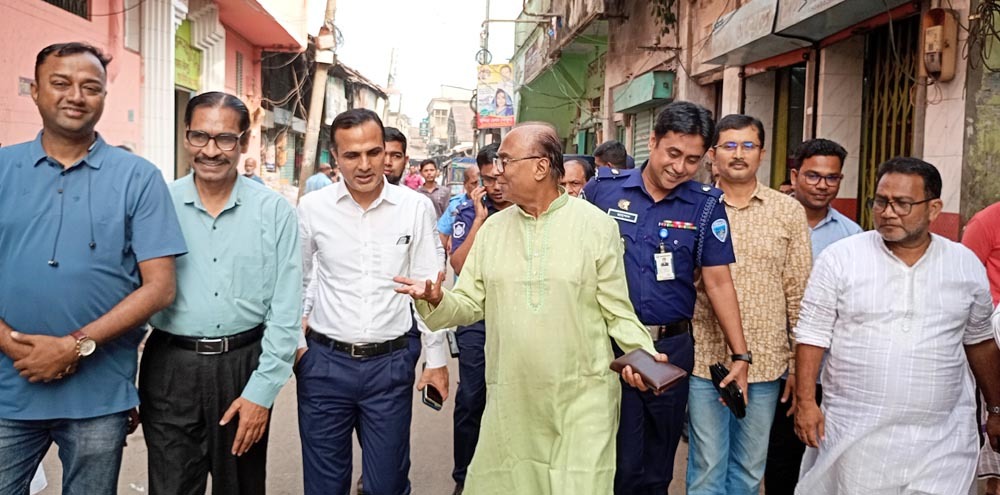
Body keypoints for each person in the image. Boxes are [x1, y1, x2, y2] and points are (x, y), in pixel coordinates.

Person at [395, 122, 666, 494]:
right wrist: (438, 300)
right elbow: (471, 302)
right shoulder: (493, 229)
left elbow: (618, 311)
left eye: (506, 160)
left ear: (540, 166)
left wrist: (644, 355)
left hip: (582, 399)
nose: (498, 170)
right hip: (514, 399)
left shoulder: (597, 227)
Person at [0, 42, 187, 493]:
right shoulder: (1, 169)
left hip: (98, 395)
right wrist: (8, 342)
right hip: (7, 389)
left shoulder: (138, 177)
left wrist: (73, 346)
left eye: (91, 87)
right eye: (60, 83)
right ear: (35, 91)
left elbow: (159, 288)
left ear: (104, 96)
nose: (76, 96)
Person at [794, 157, 1000, 494]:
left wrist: (995, 408)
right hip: (854, 437)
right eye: (881, 201)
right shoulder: (841, 257)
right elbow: (812, 334)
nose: (888, 212)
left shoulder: (963, 264)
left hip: (941, 439)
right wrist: (806, 403)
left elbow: (979, 341)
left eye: (902, 203)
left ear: (934, 209)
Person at [584, 101, 750, 494]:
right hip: (608, 347)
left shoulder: (706, 205)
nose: (679, 167)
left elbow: (719, 282)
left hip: (669, 350)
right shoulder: (602, 192)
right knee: (613, 463)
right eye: (672, 154)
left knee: (658, 467)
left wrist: (740, 355)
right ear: (653, 141)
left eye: (692, 160)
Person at [139, 92, 301, 494]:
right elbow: (131, 293)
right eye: (200, 136)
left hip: (243, 367)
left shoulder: (273, 212)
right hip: (170, 367)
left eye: (225, 139)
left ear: (244, 142)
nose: (211, 151)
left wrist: (261, 394)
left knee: (242, 487)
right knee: (171, 487)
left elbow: (285, 313)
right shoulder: (157, 203)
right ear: (186, 136)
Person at [296, 109, 447, 495]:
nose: (364, 165)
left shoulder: (414, 208)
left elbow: (428, 286)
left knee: (387, 484)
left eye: (373, 153)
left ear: (386, 153)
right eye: (351, 156)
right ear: (334, 157)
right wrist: (299, 347)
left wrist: (437, 360)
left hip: (389, 367)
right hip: (324, 365)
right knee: (324, 485)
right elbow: (298, 279)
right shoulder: (313, 208)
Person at [687, 114, 812, 495]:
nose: (738, 154)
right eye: (729, 145)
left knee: (747, 469)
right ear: (713, 155)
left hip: (766, 363)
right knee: (707, 466)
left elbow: (798, 291)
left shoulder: (787, 211)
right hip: (705, 359)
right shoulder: (694, 206)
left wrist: (796, 363)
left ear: (761, 153)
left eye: (748, 146)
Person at [764, 138, 863, 495]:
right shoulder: (769, 222)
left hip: (822, 370)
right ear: (795, 174)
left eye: (832, 178)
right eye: (814, 176)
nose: (823, 185)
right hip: (769, 363)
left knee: (817, 456)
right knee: (774, 458)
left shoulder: (853, 238)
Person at [445, 142, 512, 495]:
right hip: (477, 321)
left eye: (502, 178)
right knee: (472, 398)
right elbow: (458, 265)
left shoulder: (529, 209)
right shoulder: (468, 214)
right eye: (488, 180)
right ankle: (464, 476)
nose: (497, 186)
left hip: (517, 321)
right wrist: (481, 221)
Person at [438, 163, 481, 254]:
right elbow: (443, 234)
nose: (478, 187)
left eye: (481, 182)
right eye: (474, 183)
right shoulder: (455, 205)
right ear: (465, 185)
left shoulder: (494, 202)